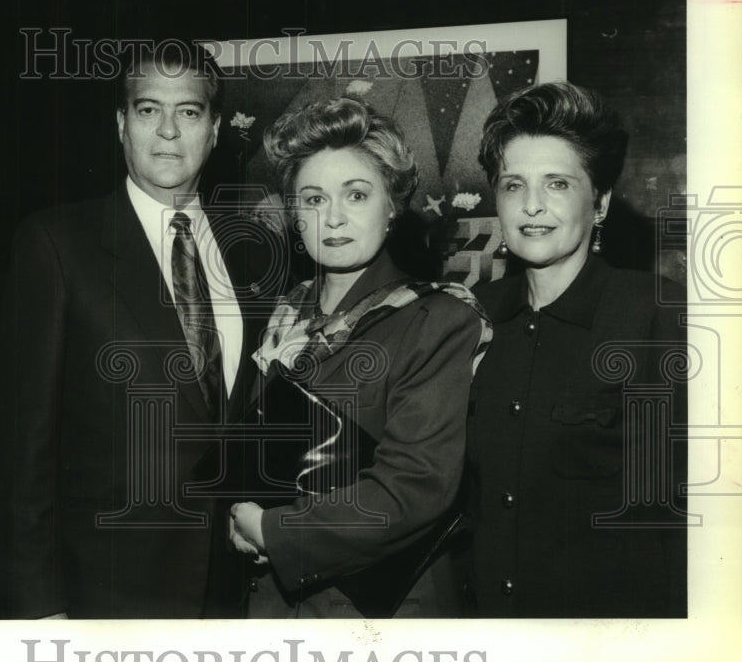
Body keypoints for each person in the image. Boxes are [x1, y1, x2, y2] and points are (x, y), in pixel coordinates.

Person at [0, 42, 284, 619]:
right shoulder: (55, 243)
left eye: (190, 112)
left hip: (227, 590)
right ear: (120, 124)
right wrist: (40, 609)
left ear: (216, 128)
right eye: (148, 109)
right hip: (102, 593)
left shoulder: (253, 252)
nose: (169, 131)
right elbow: (20, 451)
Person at [229, 97, 492, 618]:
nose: (334, 218)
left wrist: (271, 531)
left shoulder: (437, 321)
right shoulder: (279, 316)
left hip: (377, 613)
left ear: (392, 205)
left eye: (356, 194)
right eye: (313, 198)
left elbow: (415, 487)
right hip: (268, 606)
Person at [465, 81, 688, 617]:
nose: (532, 205)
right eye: (513, 185)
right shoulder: (469, 316)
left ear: (602, 202)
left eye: (558, 183)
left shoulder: (662, 319)